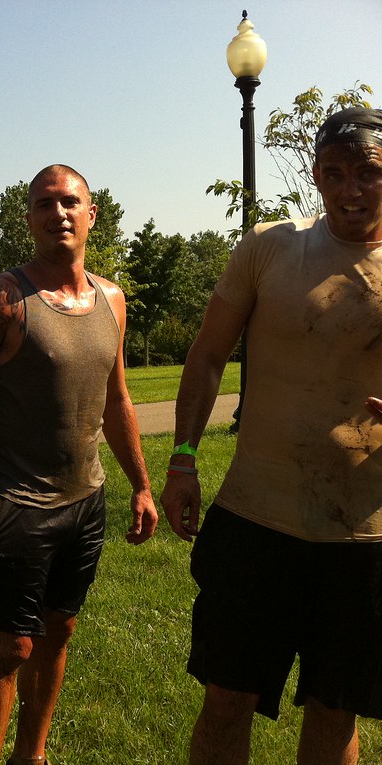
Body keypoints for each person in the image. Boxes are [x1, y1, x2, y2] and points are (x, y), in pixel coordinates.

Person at [160, 106, 382, 765]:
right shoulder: (269, 246)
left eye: (368, 173)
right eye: (335, 172)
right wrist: (181, 459)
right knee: (226, 699)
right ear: (315, 174)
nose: (350, 190)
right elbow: (204, 355)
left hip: (363, 536)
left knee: (334, 709)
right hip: (256, 520)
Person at [0, 164, 158, 765]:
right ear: (30, 218)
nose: (57, 213)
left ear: (91, 216)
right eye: (43, 204)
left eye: (69, 202)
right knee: (12, 648)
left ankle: (30, 756)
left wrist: (141, 485)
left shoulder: (112, 300)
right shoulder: (3, 299)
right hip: (17, 504)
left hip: (85, 502)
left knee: (58, 634)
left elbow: (117, 401)